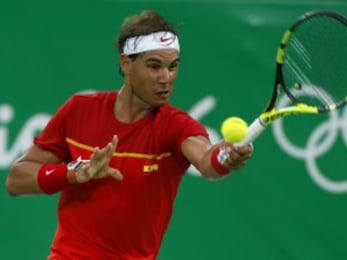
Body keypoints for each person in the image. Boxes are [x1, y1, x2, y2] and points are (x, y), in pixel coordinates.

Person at [5, 10, 253, 260]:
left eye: (173, 66)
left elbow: (207, 161)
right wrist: (73, 172)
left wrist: (225, 157)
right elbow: (16, 181)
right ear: (126, 64)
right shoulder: (79, 109)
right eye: (154, 66)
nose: (166, 78)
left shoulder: (176, 126)